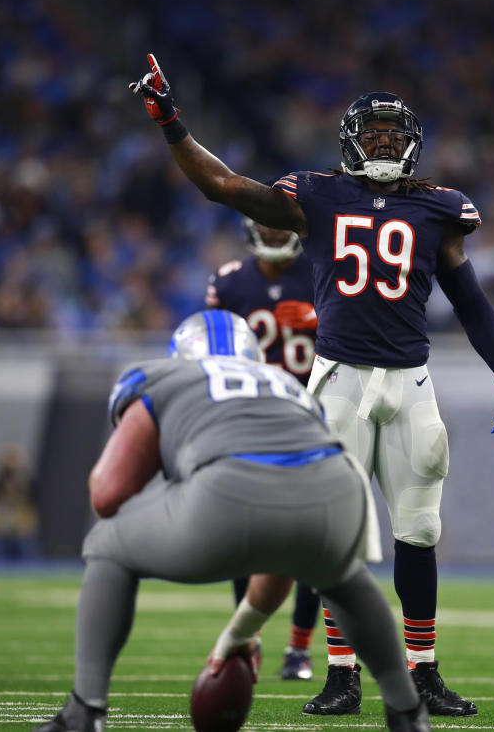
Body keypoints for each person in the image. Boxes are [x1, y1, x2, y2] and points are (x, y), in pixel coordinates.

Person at [130, 58, 494, 717]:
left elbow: (471, 300)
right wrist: (169, 118)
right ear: (348, 140)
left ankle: (424, 670)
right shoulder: (315, 194)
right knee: (335, 533)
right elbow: (222, 185)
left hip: (411, 379)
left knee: (420, 529)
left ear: (412, 142)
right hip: (338, 377)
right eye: (371, 134)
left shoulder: (437, 207)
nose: (383, 143)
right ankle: (340, 673)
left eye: (391, 134)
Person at [31, 309, 431, 732]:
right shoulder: (284, 385)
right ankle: (407, 711)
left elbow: (107, 493)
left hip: (228, 492)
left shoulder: (162, 376)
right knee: (339, 575)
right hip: (339, 492)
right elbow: (283, 556)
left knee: (106, 542)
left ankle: (84, 708)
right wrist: (239, 634)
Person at [206, 216, 321, 681]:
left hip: (310, 417)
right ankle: (246, 639)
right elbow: (213, 354)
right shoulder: (230, 282)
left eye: (280, 225)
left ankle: (299, 649)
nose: (273, 233)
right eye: (265, 224)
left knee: (313, 542)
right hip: (250, 419)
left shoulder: (320, 272)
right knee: (244, 538)